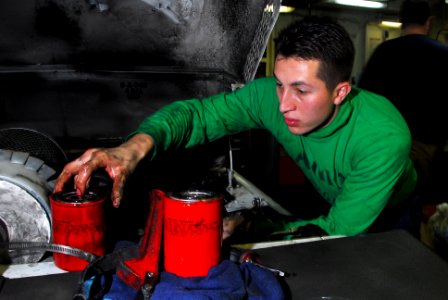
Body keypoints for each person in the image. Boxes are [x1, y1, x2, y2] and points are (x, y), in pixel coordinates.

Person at [54, 16, 417, 238]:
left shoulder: (382, 139)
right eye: (279, 82)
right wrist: (133, 147)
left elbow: (339, 231)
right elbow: (198, 116)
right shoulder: (269, 98)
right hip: (333, 200)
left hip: (390, 211)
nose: (283, 104)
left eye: (302, 90)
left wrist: (255, 229)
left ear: (340, 92)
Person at [358, 0, 448, 207]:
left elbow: (365, 101)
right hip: (428, 149)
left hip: (385, 146)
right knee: (422, 205)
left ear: (401, 22)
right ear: (429, 22)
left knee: (388, 203)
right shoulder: (443, 55)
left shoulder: (383, 52)